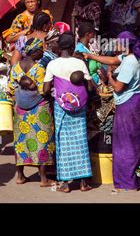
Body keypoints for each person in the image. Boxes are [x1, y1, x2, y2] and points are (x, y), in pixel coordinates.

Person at [84, 31, 140, 192]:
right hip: (135, 102)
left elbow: (118, 87)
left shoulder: (130, 62)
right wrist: (91, 56)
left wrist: (110, 76)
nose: (117, 45)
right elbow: (112, 59)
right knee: (135, 141)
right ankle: (137, 179)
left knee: (126, 143)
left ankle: (128, 181)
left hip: (129, 105)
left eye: (119, 42)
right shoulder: (132, 57)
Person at [43, 33, 93, 193]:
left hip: (60, 107)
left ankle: (64, 184)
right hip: (79, 107)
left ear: (59, 47)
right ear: (72, 47)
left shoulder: (52, 64)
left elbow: (45, 89)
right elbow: (90, 87)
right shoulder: (80, 63)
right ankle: (83, 183)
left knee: (63, 143)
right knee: (80, 142)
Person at [7, 38, 56, 187]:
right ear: (34, 51)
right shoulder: (39, 70)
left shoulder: (15, 68)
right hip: (39, 109)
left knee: (21, 142)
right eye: (41, 49)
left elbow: (10, 90)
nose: (43, 51)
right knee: (42, 141)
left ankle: (20, 176)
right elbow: (43, 90)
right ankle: (43, 179)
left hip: (20, 110)